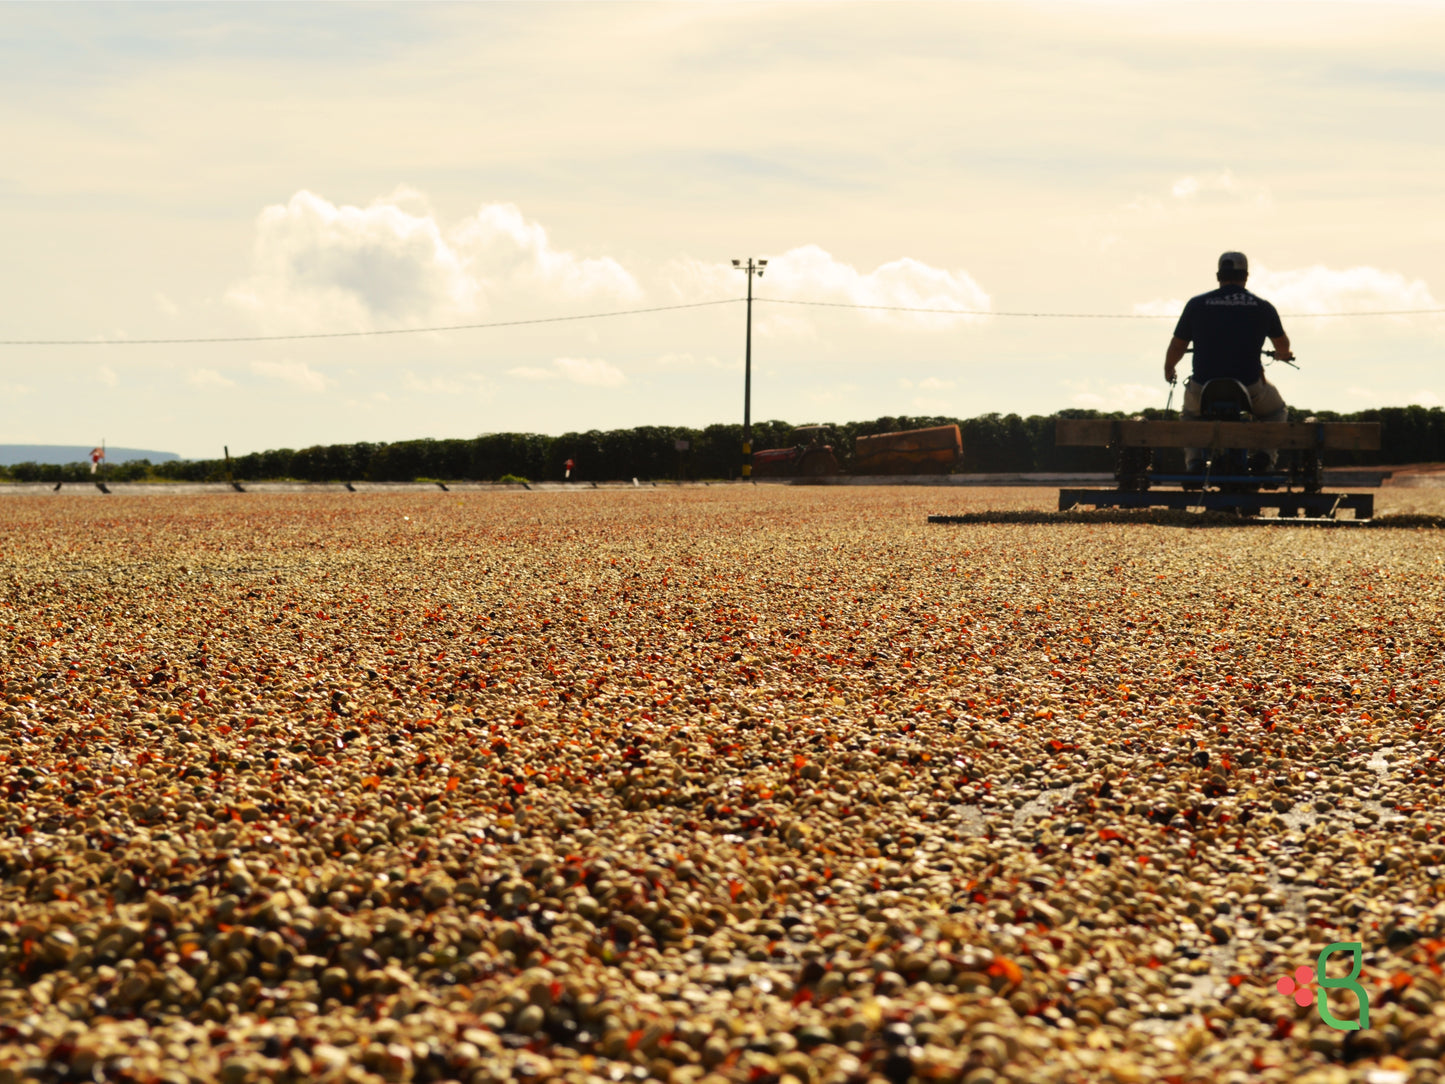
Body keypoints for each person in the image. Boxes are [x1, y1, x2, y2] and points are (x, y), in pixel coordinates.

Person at [1163, 251, 1294, 472]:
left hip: (1203, 386)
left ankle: (1194, 462)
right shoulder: (1263, 307)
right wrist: (1284, 354)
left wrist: (1169, 368)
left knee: (1190, 416)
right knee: (1276, 412)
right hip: (1250, 386)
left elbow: (1178, 345)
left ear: (1218, 275)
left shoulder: (1197, 304)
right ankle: (1264, 458)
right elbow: (1282, 344)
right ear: (1246, 276)